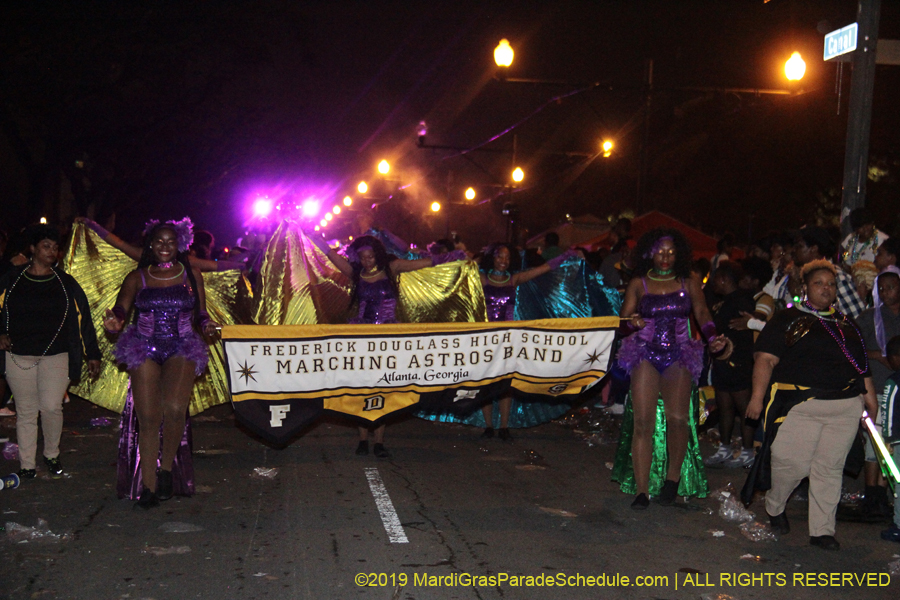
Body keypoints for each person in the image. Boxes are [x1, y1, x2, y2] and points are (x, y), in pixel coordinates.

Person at [744, 259, 878, 551]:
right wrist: (756, 398)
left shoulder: (847, 325)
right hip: (801, 404)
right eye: (819, 283)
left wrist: (871, 402)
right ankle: (775, 505)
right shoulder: (786, 319)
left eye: (831, 284)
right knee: (789, 463)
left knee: (829, 469)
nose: (826, 289)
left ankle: (822, 530)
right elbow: (765, 359)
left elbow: (862, 368)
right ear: (804, 288)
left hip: (844, 406)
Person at [306, 232, 466, 457]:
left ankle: (379, 441)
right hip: (362, 338)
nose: (367, 261)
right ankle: (362, 439)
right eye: (363, 257)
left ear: (378, 254)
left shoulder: (392, 268)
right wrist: (312, 235)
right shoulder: (356, 273)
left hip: (387, 340)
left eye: (371, 256)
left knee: (384, 389)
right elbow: (331, 255)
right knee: (362, 388)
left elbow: (426, 262)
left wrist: (454, 257)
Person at [103, 218, 219, 509]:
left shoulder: (191, 274)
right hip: (144, 347)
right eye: (159, 241)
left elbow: (201, 314)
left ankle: (166, 469)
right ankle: (149, 486)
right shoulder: (136, 277)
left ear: (179, 243)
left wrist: (208, 326)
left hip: (181, 345)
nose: (165, 246)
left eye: (171, 241)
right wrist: (115, 322)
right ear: (151, 245)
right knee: (150, 418)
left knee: (176, 408)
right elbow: (121, 309)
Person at [615, 228, 728, 509]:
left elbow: (702, 313)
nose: (665, 257)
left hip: (679, 355)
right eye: (659, 251)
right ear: (650, 253)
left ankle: (672, 481)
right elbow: (621, 322)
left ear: (678, 254)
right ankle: (642, 491)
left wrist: (713, 339)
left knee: (679, 420)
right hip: (644, 354)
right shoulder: (638, 283)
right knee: (643, 422)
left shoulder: (688, 280)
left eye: (671, 252)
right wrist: (633, 323)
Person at [0, 225, 102, 479]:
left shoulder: (65, 282)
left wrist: (93, 353)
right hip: (18, 353)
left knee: (51, 406)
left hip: (57, 354)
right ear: (33, 249)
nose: (52, 252)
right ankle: (26, 464)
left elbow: (84, 318)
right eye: (46, 246)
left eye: (56, 248)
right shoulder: (12, 278)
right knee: (25, 410)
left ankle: (51, 454)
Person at [477, 242, 579, 440]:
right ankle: (489, 426)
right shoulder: (482, 279)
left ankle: (504, 426)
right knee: (486, 382)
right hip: (486, 339)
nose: (503, 261)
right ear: (492, 257)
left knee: (506, 384)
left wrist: (564, 257)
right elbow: (461, 270)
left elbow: (543, 269)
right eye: (499, 256)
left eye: (507, 258)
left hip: (508, 340)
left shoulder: (514, 279)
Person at [853, 267, 900, 519]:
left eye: (890, 287)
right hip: (877, 388)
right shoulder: (870, 317)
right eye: (881, 288)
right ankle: (873, 496)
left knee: (891, 445)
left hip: (897, 390)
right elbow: (852, 347)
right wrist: (879, 357)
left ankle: (883, 496)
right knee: (875, 445)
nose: (885, 292)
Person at [705, 261, 758, 469]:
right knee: (724, 406)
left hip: (739, 363)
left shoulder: (742, 299)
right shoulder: (723, 301)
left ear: (724, 279)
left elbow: (751, 324)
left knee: (744, 409)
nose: (712, 283)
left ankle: (747, 451)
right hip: (722, 364)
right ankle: (724, 448)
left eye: (715, 279)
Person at [773, 227, 865, 318]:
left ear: (814, 249)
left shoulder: (836, 276)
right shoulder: (798, 275)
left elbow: (855, 317)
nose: (793, 250)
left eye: (799, 246)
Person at [878, 335, 900, 543]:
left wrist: (887, 439)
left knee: (899, 484)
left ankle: (898, 525)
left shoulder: (894, 381)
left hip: (899, 439)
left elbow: (888, 410)